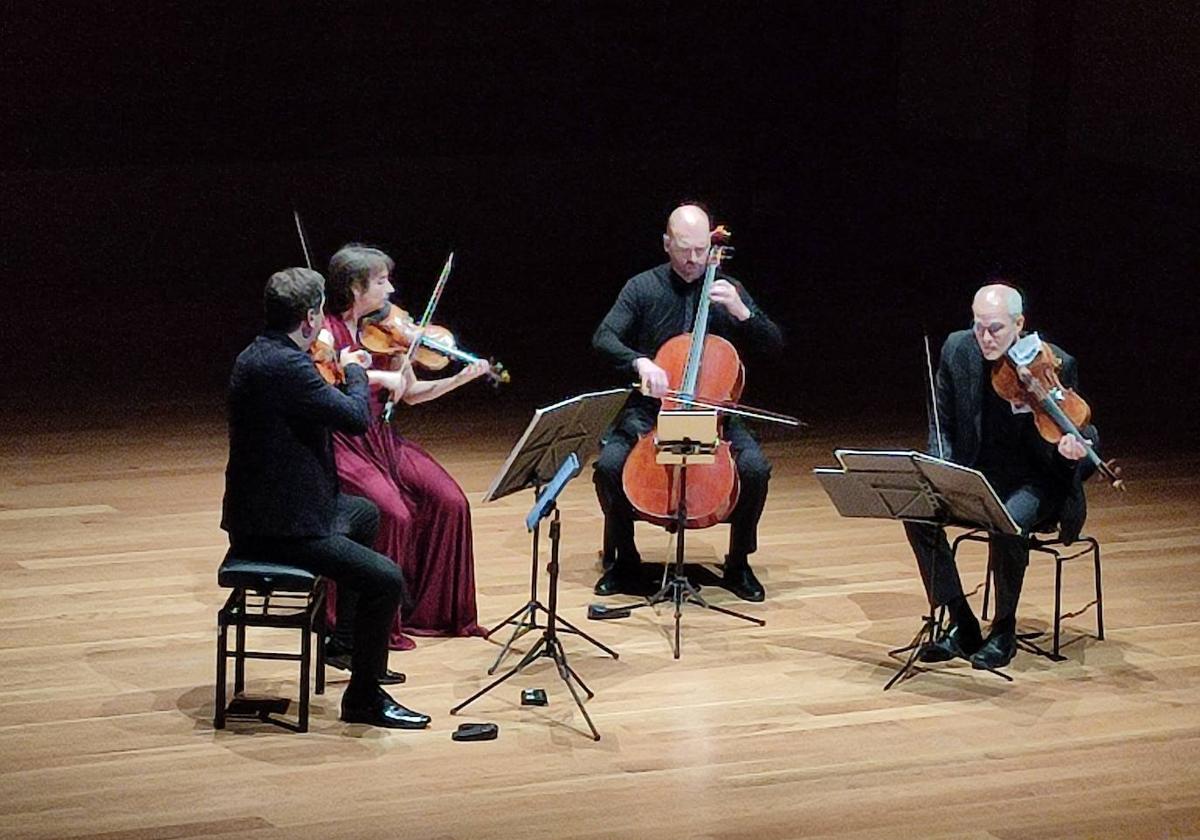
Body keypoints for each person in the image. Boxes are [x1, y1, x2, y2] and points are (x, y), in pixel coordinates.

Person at [221, 266, 429, 729]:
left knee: (365, 512)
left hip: (280, 509)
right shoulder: (286, 366)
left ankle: (346, 644)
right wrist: (356, 371)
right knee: (385, 579)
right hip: (281, 527)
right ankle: (364, 699)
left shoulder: (263, 353)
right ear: (311, 317)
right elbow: (355, 418)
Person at [591, 203, 785, 601]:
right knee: (610, 466)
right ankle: (624, 560)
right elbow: (604, 337)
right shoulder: (641, 288)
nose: (694, 259)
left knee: (754, 469)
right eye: (684, 249)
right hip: (653, 412)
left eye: (700, 249)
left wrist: (742, 311)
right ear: (667, 244)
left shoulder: (726, 289)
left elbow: (775, 343)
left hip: (713, 416)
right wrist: (640, 361)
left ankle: (738, 563)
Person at [906, 283, 1097, 670]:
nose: (985, 338)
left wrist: (1067, 455)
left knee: (1009, 520)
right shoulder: (957, 349)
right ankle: (963, 623)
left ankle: (1004, 630)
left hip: (1036, 483)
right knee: (915, 512)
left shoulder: (1053, 363)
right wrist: (939, 465)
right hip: (975, 477)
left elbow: (1081, 443)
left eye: (995, 328)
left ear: (1020, 323)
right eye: (978, 326)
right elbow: (940, 421)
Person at [319, 244, 488, 662]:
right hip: (343, 441)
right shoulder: (325, 331)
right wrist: (372, 373)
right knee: (392, 513)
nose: (391, 289)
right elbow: (321, 379)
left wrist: (460, 379)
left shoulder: (391, 333)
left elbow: (409, 393)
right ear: (355, 288)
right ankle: (369, 626)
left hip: (383, 437)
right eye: (380, 281)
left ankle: (433, 613)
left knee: (451, 501)